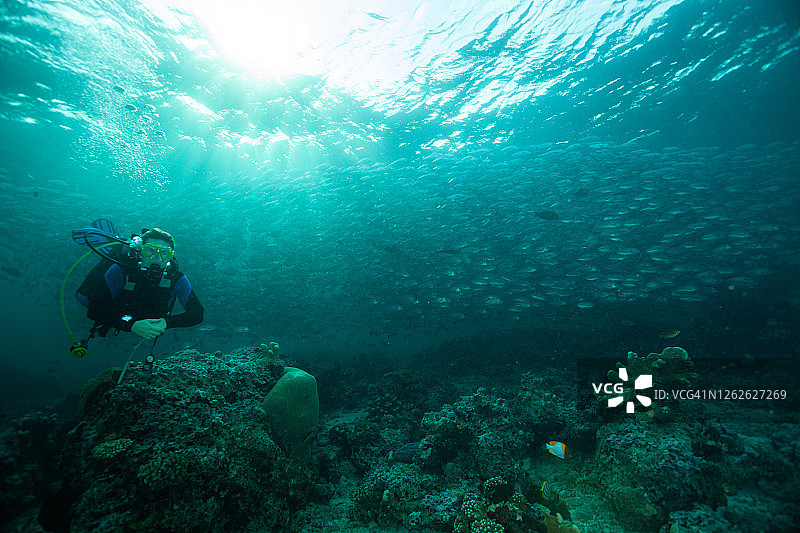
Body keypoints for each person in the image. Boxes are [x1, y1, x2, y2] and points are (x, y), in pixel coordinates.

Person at [76, 227, 203, 340]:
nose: (156, 258)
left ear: (170, 257)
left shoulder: (176, 278)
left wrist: (167, 322)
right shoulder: (121, 270)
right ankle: (117, 243)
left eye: (164, 253)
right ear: (140, 253)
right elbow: (94, 309)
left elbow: (197, 313)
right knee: (84, 299)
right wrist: (130, 325)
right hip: (120, 315)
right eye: (149, 251)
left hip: (142, 316)